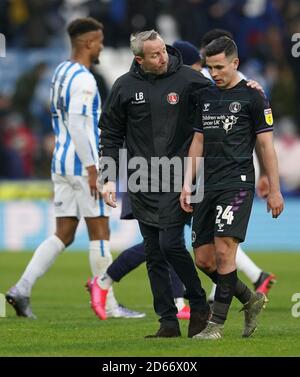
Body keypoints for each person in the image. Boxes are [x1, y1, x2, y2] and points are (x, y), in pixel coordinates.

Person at [5, 17, 140, 320]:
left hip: (61, 163)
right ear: (89, 42)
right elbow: (79, 125)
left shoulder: (60, 72)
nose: (102, 45)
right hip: (82, 166)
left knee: (63, 233)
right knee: (100, 230)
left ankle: (21, 289)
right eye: (100, 40)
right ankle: (107, 304)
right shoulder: (84, 79)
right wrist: (94, 169)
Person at [97, 30, 212, 338]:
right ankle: (168, 322)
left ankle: (199, 303)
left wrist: (249, 89)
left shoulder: (189, 79)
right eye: (155, 54)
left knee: (170, 244)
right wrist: (107, 178)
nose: (164, 57)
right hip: (140, 181)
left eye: (164, 51)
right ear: (139, 59)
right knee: (153, 251)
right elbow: (109, 134)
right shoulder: (124, 87)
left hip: (178, 177)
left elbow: (223, 98)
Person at [180, 36, 284, 339]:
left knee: (226, 251)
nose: (215, 73)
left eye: (220, 67)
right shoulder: (207, 96)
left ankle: (216, 326)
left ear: (235, 63)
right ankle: (250, 299)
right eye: (210, 67)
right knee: (204, 259)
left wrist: (274, 188)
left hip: (236, 183)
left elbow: (266, 146)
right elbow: (197, 141)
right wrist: (187, 184)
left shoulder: (254, 97)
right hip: (207, 185)